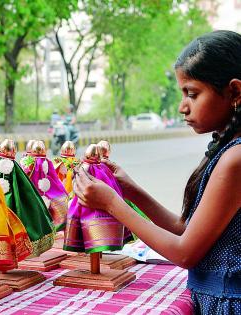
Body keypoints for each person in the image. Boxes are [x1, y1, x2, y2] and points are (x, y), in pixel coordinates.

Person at [74, 30, 241, 314]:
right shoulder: (229, 150)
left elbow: (185, 252)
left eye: (192, 93)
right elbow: (186, 231)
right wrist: (129, 191)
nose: (182, 107)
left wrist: (111, 203)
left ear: (234, 91)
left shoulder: (235, 159)